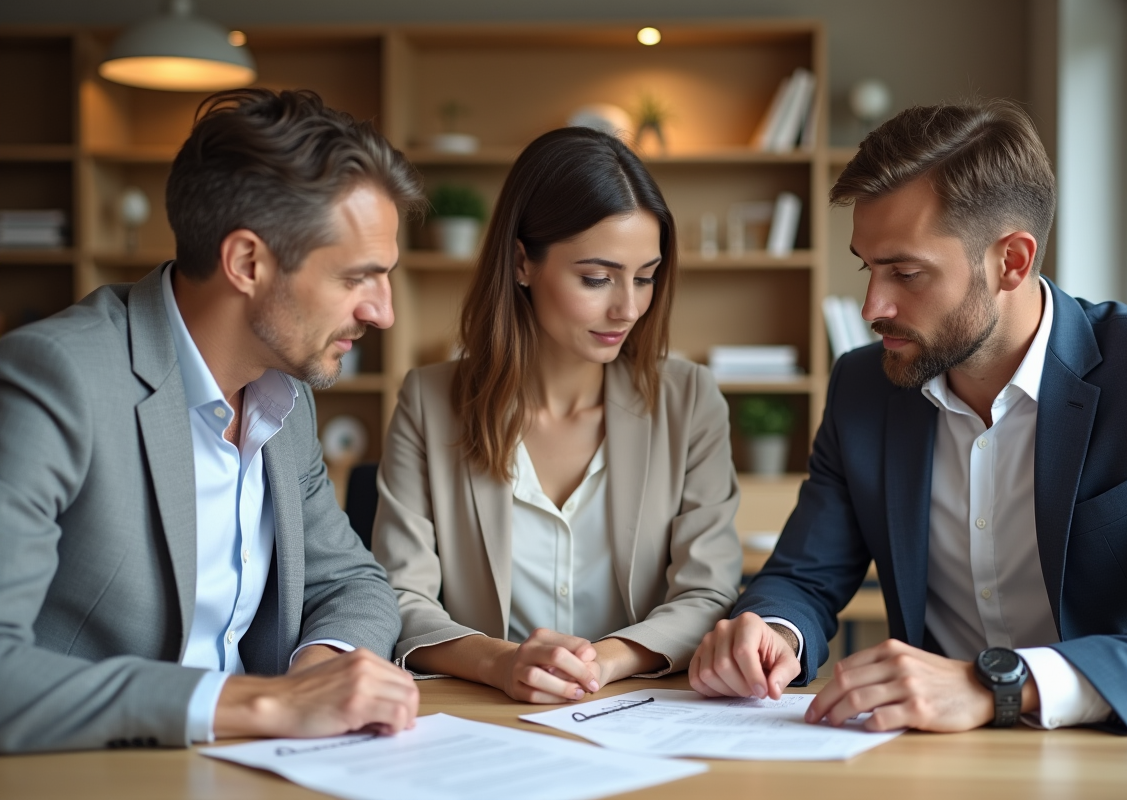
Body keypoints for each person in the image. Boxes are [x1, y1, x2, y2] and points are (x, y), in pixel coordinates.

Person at [690, 98, 1127, 735]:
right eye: (867, 268)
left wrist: (1002, 685)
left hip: (1106, 752)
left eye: (906, 272)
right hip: (922, 758)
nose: (873, 305)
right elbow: (805, 575)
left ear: (1011, 261)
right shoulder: (861, 384)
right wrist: (771, 633)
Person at [0, 89, 423, 753]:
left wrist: (321, 676)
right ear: (248, 262)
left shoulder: (286, 395)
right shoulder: (56, 379)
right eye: (358, 278)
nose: (382, 313)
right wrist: (264, 701)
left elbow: (351, 582)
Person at [372, 126, 743, 703]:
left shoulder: (689, 401)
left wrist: (602, 661)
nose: (628, 308)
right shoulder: (428, 402)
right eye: (596, 278)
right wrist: (503, 663)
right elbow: (400, 596)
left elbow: (709, 594)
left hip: (639, 712)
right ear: (522, 263)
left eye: (645, 278)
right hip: (485, 715)